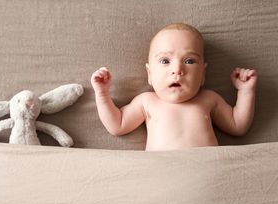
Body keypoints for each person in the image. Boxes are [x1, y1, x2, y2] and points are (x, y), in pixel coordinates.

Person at [91, 23, 258, 151]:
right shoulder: (147, 102)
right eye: (165, 61)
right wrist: (102, 93)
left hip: (206, 170)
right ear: (149, 74)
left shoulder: (209, 99)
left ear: (202, 75)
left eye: (189, 61)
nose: (177, 70)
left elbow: (238, 126)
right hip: (162, 172)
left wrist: (245, 91)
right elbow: (117, 125)